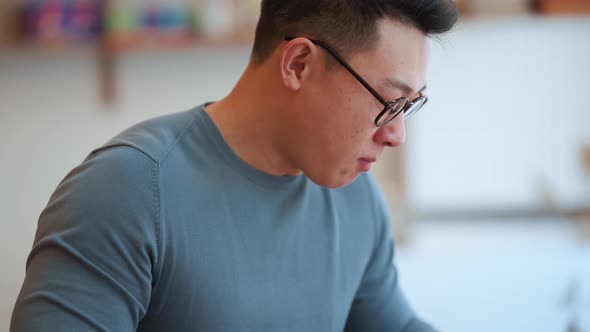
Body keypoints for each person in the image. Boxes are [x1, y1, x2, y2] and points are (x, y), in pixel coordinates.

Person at [11, 1, 458, 331]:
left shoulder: (355, 197)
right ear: (299, 65)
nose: (396, 134)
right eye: (389, 102)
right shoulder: (127, 190)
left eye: (410, 106)